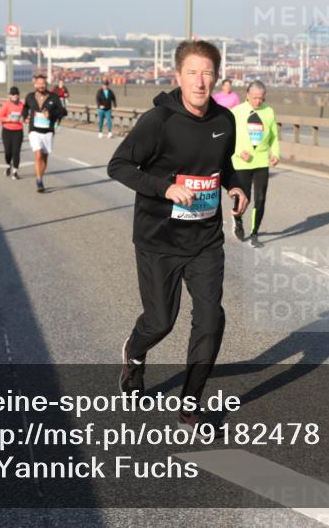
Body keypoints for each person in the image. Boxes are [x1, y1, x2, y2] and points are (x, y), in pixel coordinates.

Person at [108, 40, 249, 431]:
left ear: (217, 78)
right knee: (160, 322)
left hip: (205, 239)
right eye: (192, 73)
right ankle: (134, 356)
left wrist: (237, 188)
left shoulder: (226, 121)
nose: (200, 82)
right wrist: (164, 188)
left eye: (207, 73)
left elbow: (229, 167)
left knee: (210, 319)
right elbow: (118, 166)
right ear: (178, 77)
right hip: (159, 239)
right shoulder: (159, 121)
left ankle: (191, 402)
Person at [230, 81, 280, 248]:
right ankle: (237, 219)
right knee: (244, 198)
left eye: (261, 98)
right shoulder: (236, 112)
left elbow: (273, 136)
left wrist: (276, 154)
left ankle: (254, 233)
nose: (258, 101)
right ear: (247, 95)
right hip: (241, 162)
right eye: (255, 98)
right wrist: (238, 151)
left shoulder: (269, 112)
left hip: (261, 161)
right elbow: (228, 137)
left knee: (260, 198)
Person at [22, 74, 67, 193]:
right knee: (38, 155)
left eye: (43, 83)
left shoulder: (54, 97)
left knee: (45, 157)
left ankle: (40, 176)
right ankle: (39, 180)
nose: (41, 86)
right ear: (35, 84)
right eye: (39, 83)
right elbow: (25, 107)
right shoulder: (30, 97)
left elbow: (63, 112)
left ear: (46, 84)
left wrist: (51, 114)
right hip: (34, 130)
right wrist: (25, 117)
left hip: (48, 131)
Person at [0, 86, 25, 180]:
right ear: (10, 96)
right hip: (7, 131)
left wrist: (23, 119)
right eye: (13, 94)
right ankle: (8, 165)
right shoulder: (6, 105)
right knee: (8, 152)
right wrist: (8, 119)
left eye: (17, 94)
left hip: (18, 131)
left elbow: (26, 117)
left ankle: (15, 172)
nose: (15, 96)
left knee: (16, 152)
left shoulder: (22, 105)